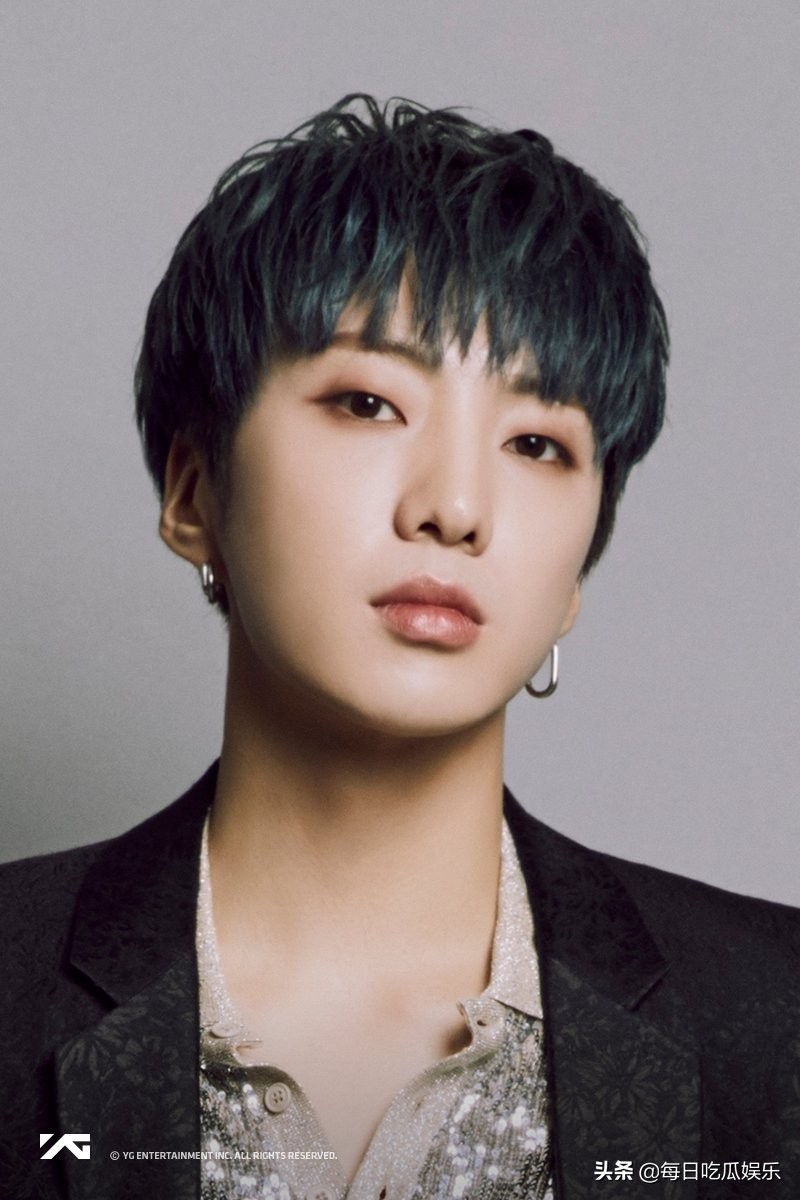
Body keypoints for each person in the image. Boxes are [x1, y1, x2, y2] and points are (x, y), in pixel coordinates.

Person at [1, 95, 798, 1200]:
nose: (455, 508)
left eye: (537, 443)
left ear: (573, 575)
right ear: (192, 492)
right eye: (368, 403)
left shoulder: (775, 1027)